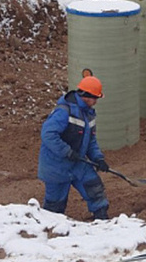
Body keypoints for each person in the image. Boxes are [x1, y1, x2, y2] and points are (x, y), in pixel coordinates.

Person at [37, 75, 110, 220]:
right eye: (94, 98)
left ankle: (102, 221)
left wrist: (98, 158)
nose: (95, 102)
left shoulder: (89, 113)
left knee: (95, 190)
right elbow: (48, 134)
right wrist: (66, 151)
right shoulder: (63, 112)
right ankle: (52, 230)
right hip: (56, 166)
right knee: (54, 207)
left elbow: (91, 140)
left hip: (78, 163)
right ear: (85, 96)